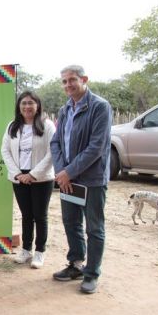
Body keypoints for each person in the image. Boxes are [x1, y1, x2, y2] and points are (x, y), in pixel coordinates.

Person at [50, 65, 112, 294]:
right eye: (64, 82)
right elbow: (55, 142)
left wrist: (69, 172)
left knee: (94, 228)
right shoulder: (65, 108)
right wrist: (61, 172)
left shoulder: (100, 107)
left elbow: (97, 147)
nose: (68, 85)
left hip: (92, 180)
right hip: (67, 179)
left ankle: (91, 273)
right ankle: (76, 264)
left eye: (72, 80)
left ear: (84, 79)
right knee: (71, 222)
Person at [1, 91, 55, 269]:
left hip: (41, 179)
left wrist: (33, 174)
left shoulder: (47, 126)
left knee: (40, 216)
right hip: (19, 178)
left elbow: (52, 152)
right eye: (23, 103)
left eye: (31, 103)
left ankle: (39, 252)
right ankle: (25, 250)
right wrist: (17, 173)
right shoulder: (12, 126)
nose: (27, 106)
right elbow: (5, 151)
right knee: (26, 216)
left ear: (37, 105)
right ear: (19, 106)